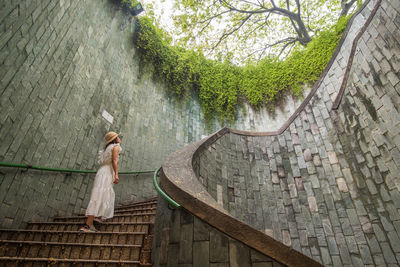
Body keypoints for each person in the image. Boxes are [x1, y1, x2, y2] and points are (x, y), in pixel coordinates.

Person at [80, 131, 122, 232]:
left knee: (98, 194)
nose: (119, 138)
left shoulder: (107, 148)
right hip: (107, 172)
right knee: (100, 195)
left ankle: (93, 219)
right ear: (115, 139)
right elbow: (114, 161)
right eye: (118, 137)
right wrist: (116, 174)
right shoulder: (115, 147)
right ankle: (88, 225)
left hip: (101, 171)